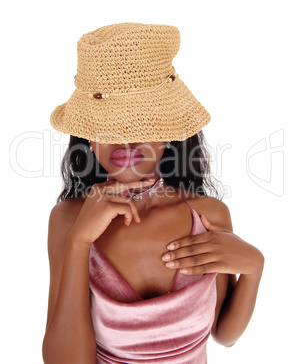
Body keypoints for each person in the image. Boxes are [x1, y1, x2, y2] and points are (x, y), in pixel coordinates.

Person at [42, 23, 264, 364]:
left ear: (170, 130)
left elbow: (224, 335)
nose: (126, 140)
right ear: (87, 135)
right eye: (107, 123)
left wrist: (254, 268)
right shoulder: (68, 220)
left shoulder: (207, 215)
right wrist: (79, 241)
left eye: (143, 122)